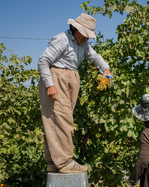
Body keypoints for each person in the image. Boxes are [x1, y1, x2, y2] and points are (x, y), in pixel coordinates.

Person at [38, 13, 111, 173]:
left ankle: (52, 161)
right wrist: (50, 84)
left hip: (71, 80)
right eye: (85, 34)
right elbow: (43, 61)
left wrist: (105, 69)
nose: (87, 38)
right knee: (63, 121)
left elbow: (95, 57)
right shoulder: (62, 39)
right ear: (76, 29)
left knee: (58, 120)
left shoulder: (83, 44)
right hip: (57, 78)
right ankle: (64, 162)